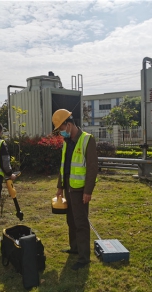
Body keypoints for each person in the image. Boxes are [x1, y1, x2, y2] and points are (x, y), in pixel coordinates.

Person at [52, 109, 98, 271]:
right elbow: (63, 166)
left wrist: (88, 191)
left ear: (69, 125)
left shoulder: (87, 140)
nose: (61, 133)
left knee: (81, 223)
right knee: (71, 220)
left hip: (80, 190)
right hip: (69, 189)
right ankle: (75, 248)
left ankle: (84, 257)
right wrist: (60, 187)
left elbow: (92, 168)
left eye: (61, 129)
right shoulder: (67, 142)